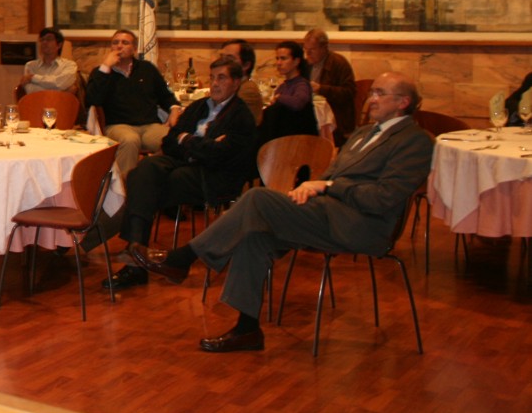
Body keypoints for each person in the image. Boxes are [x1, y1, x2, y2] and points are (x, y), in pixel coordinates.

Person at [132, 71, 434, 353]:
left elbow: (383, 198)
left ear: (403, 102)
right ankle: (247, 330)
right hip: (326, 212)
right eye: (372, 93)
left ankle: (183, 258)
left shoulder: (415, 141)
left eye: (380, 93)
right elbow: (332, 175)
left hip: (363, 225)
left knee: (257, 198)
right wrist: (312, 188)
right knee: (254, 234)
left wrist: (327, 186)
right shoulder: (364, 133)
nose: (371, 99)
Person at [98, 57, 256, 291]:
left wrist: (187, 140)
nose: (214, 84)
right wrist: (198, 143)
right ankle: (136, 253)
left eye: (221, 78)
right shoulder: (199, 106)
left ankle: (134, 261)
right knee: (142, 171)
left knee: (150, 187)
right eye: (212, 77)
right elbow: (169, 141)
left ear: (236, 82)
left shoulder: (241, 117)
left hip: (214, 176)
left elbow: (219, 156)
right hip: (183, 163)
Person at [85, 29, 179, 177]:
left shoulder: (147, 69)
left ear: (134, 49)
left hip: (150, 126)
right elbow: (91, 100)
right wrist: (106, 67)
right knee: (130, 140)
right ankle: (125, 185)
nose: (119, 46)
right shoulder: (101, 72)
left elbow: (166, 96)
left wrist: (174, 109)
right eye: (115, 43)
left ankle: (164, 180)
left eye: (125, 43)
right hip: (118, 126)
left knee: (174, 138)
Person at [257, 39, 318, 146]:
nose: (278, 63)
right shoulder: (283, 86)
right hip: (282, 140)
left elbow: (298, 102)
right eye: (277, 58)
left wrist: (279, 98)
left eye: (283, 58)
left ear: (296, 61)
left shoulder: (302, 84)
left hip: (297, 142)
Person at [303, 29, 357, 145]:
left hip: (336, 118)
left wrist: (321, 89)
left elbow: (349, 92)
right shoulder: (306, 65)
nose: (308, 54)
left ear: (324, 48)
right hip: (311, 114)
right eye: (306, 49)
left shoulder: (338, 63)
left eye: (312, 50)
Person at [19, 26, 78, 95]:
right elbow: (31, 90)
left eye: (49, 39)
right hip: (37, 101)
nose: (44, 42)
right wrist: (61, 92)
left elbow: (61, 84)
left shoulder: (69, 65)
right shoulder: (30, 65)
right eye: (42, 40)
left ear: (59, 45)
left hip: (60, 102)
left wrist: (33, 77)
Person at [219, 38, 264, 124]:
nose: (222, 63)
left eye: (230, 59)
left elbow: (230, 122)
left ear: (246, 65)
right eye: (221, 58)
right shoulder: (227, 86)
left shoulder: (247, 90)